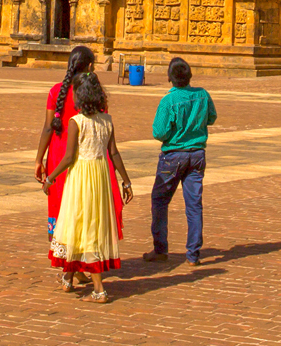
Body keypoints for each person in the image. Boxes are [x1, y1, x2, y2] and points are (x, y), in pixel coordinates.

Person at [43, 70, 132, 303]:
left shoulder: (76, 122)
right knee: (92, 224)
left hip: (80, 178)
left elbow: (68, 157)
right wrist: (126, 180)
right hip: (100, 177)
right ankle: (68, 276)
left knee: (76, 222)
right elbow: (114, 153)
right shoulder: (107, 121)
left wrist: (51, 177)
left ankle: (98, 289)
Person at [145, 56, 216, 265]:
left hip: (174, 155)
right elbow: (211, 118)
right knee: (194, 204)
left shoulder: (169, 100)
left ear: (170, 78)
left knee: (159, 200)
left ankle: (160, 248)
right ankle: (193, 253)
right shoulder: (202, 95)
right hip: (197, 153)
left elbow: (159, 131)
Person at [36, 46, 101, 248]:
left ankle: (61, 251)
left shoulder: (56, 91)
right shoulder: (94, 94)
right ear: (90, 67)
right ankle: (79, 256)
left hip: (58, 154)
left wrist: (39, 159)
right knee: (81, 206)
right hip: (84, 155)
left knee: (59, 202)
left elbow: (48, 128)